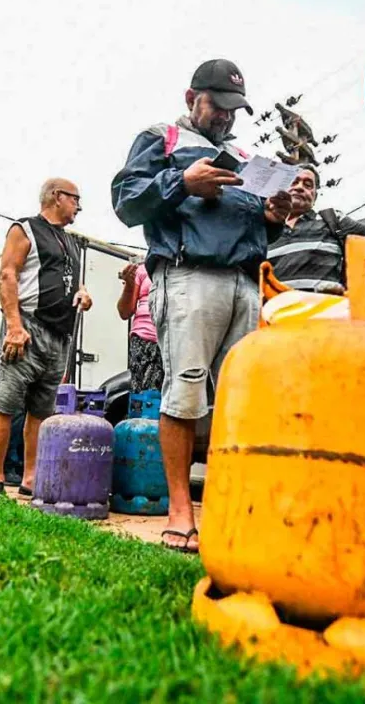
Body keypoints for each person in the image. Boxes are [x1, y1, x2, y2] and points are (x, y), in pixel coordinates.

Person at [111, 59, 292, 552]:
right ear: (191, 98)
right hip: (188, 274)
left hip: (244, 280)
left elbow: (255, 223)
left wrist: (273, 216)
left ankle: (228, 505)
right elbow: (126, 201)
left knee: (240, 401)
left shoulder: (243, 155)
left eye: (235, 109)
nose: (226, 117)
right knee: (186, 392)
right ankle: (179, 512)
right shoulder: (162, 137)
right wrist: (181, 184)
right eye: (218, 106)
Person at [0, 178, 93, 496]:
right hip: (28, 328)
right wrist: (14, 326)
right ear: (57, 197)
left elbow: (75, 283)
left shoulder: (71, 241)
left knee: (41, 412)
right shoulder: (25, 228)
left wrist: (83, 294)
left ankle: (30, 478)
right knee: (5, 404)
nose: (78, 207)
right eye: (75, 199)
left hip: (59, 336)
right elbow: (7, 274)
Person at [267, 163, 365, 291]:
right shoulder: (263, 231)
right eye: (293, 182)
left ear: (314, 197)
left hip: (327, 308)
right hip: (274, 309)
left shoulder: (332, 219)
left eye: (308, 185)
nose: (299, 187)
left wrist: (355, 285)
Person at [116, 262, 164, 393]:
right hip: (143, 339)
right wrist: (129, 284)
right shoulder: (142, 269)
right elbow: (124, 312)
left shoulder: (182, 267)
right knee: (140, 393)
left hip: (171, 340)